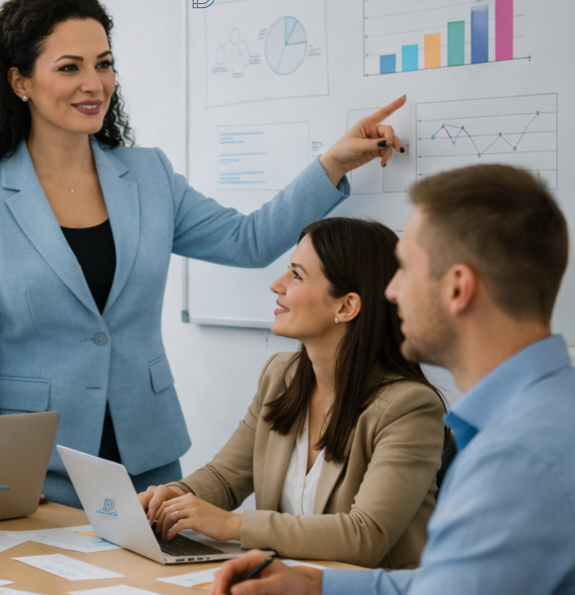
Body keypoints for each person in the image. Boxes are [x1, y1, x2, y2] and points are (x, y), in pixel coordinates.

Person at [129, 164, 575, 595]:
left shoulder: (517, 456)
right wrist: (315, 588)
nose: (391, 290)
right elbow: (451, 587)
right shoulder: (535, 416)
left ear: (457, 287)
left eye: (406, 267)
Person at [0, 0, 406, 506]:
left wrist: (333, 163)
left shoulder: (148, 175)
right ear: (21, 82)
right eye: (70, 67)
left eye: (104, 64)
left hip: (147, 455)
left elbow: (246, 241)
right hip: (35, 464)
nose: (94, 84)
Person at [139, 216, 446, 568]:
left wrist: (231, 525)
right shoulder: (281, 376)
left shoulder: (409, 409)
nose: (276, 284)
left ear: (346, 306)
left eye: (296, 275)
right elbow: (226, 478)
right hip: (287, 589)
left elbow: (366, 535)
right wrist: (176, 496)